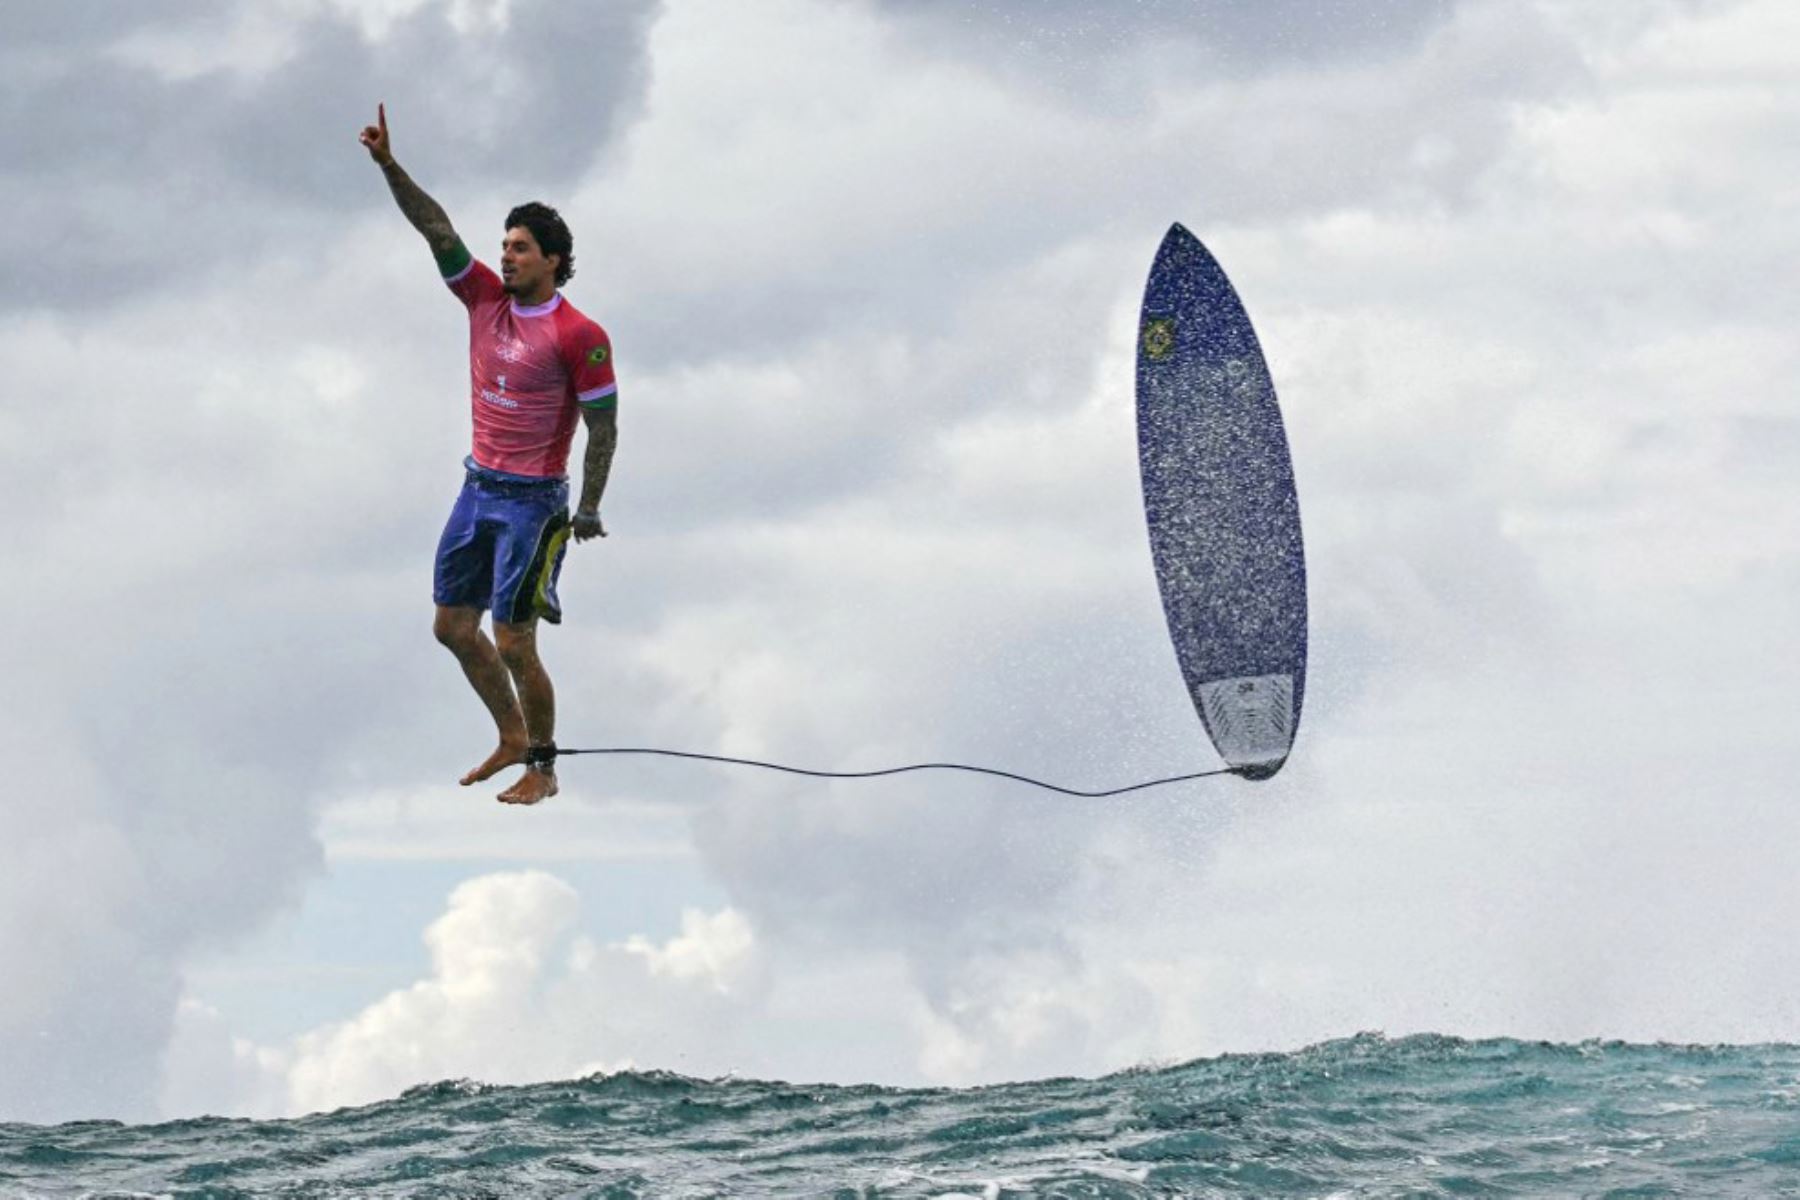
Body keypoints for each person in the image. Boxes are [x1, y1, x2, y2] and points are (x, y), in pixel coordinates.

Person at [359, 103, 618, 806]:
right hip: (478, 488)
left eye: (521, 248)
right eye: (504, 245)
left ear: (553, 261)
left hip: (534, 504)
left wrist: (589, 505)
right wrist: (388, 165)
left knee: (514, 640)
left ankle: (543, 765)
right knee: (451, 627)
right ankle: (509, 734)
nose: (506, 255)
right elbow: (434, 226)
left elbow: (604, 426)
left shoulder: (579, 333)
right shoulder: (482, 300)